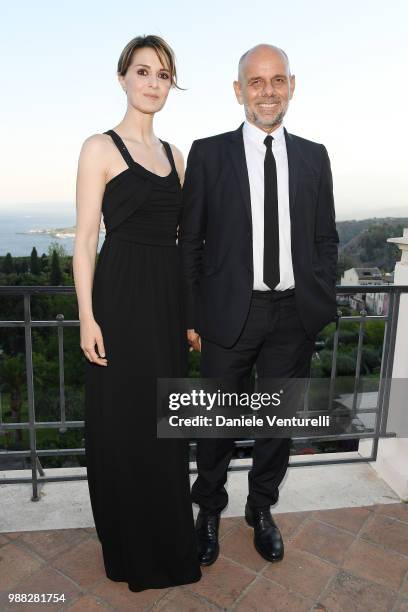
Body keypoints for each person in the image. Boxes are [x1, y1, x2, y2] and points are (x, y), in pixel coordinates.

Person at [180, 44, 339, 566]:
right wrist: (194, 317)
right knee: (215, 423)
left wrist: (321, 299)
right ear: (238, 90)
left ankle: (261, 508)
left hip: (294, 316)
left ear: (291, 84)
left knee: (276, 425)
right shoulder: (208, 153)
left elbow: (325, 239)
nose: (266, 91)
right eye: (255, 81)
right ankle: (208, 511)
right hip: (229, 315)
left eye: (276, 81)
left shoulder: (315, 156)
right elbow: (192, 243)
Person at [73, 34, 201, 592]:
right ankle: (127, 549)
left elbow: (187, 242)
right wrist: (86, 317)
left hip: (166, 304)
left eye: (164, 75)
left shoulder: (178, 156)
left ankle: (169, 545)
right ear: (123, 77)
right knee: (122, 427)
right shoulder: (98, 148)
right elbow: (83, 242)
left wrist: (191, 316)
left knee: (164, 427)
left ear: (172, 85)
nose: (153, 83)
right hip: (118, 302)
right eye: (144, 71)